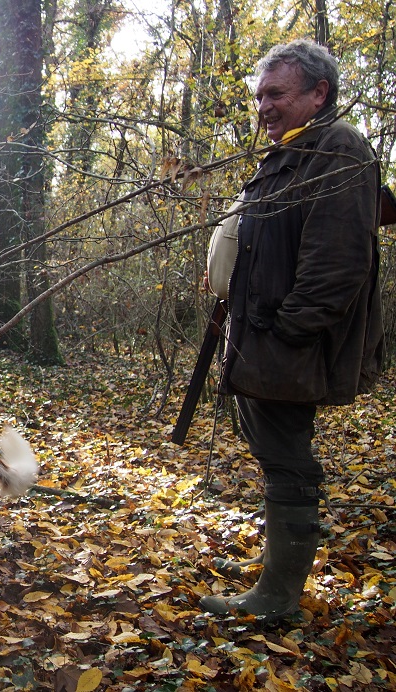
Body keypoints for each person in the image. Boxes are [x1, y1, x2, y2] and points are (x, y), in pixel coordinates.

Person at [200, 39, 384, 617]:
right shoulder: (291, 152)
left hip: (284, 343)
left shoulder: (338, 150)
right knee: (275, 456)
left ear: (317, 93)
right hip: (257, 340)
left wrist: (288, 333)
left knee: (289, 463)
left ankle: (277, 595)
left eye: (277, 94)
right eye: (260, 96)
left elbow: (337, 263)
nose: (264, 106)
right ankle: (277, 566)